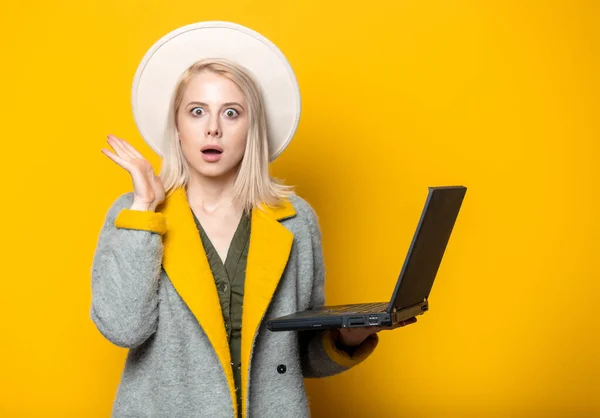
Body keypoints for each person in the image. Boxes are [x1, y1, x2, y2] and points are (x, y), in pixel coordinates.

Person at [91, 22, 415, 418]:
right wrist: (144, 208)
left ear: (252, 127)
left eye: (231, 112)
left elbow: (300, 352)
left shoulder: (295, 220)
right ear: (176, 127)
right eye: (197, 112)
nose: (213, 127)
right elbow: (124, 329)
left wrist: (353, 332)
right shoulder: (135, 215)